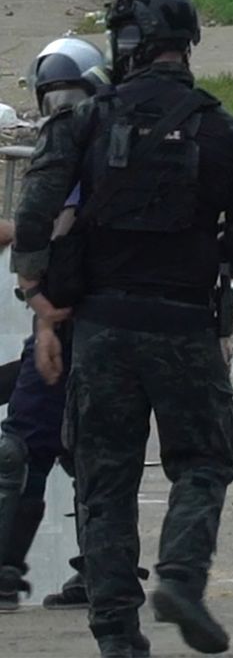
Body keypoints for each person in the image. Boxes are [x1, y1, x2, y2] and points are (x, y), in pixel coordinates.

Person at [12, 0, 233, 657]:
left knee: (105, 482)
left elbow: (37, 211)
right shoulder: (226, 130)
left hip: (100, 330)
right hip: (185, 323)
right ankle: (182, 575)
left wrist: (39, 296)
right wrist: (201, 259)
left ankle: (117, 638)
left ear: (125, 44)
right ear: (187, 46)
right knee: (206, 460)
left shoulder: (86, 122)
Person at [0, 41, 111, 615]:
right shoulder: (126, 146)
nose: (61, 108)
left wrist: (41, 310)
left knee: (26, 449)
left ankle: (6, 573)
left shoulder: (75, 149)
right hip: (110, 322)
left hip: (66, 318)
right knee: (91, 454)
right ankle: (101, 573)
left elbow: (49, 227)